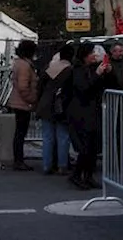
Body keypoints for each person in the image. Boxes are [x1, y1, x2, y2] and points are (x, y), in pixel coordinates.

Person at [67, 41, 116, 190]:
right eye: (91, 53)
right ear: (85, 56)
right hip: (80, 112)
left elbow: (109, 85)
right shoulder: (77, 70)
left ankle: (88, 175)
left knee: (93, 146)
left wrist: (108, 73)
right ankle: (76, 175)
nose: (94, 56)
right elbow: (84, 88)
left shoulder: (92, 69)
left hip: (93, 111)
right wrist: (97, 75)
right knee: (85, 146)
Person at [36, 43, 74, 175]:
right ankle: (62, 165)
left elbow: (39, 87)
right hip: (61, 107)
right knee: (63, 137)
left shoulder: (48, 68)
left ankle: (47, 165)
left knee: (47, 137)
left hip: (45, 105)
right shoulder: (70, 70)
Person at [6, 39, 39, 170]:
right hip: (23, 103)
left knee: (19, 132)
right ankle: (19, 160)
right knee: (21, 132)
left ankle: (18, 159)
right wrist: (32, 99)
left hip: (17, 101)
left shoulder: (18, 63)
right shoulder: (25, 66)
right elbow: (23, 86)